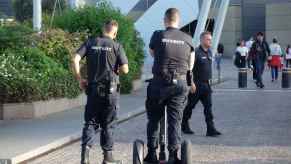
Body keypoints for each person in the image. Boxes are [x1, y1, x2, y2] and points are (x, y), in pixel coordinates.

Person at [73, 20, 129, 164]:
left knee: (90, 123)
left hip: (93, 91)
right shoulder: (117, 46)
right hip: (111, 92)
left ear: (103, 29)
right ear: (115, 33)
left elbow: (75, 58)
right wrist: (116, 69)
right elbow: (125, 69)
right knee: (108, 124)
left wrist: (80, 78)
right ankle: (108, 158)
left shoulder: (91, 42)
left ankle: (85, 158)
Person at [144, 8, 196, 164]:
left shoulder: (158, 35)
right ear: (178, 20)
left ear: (165, 20)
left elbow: (152, 53)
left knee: (154, 119)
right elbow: (190, 65)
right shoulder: (188, 38)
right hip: (180, 83)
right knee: (175, 120)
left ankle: (152, 154)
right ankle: (173, 155)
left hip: (160, 82)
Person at [182, 31, 221, 137]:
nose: (210, 41)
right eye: (208, 39)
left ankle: (210, 129)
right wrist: (191, 84)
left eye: (211, 39)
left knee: (208, 107)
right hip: (197, 85)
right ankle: (184, 124)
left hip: (207, 85)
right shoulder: (195, 53)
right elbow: (188, 69)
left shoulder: (209, 52)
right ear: (202, 40)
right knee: (190, 106)